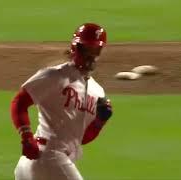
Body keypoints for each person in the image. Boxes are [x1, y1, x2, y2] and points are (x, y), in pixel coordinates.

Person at [10, 22, 113, 180]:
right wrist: (26, 136)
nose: (90, 55)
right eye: (86, 49)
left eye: (95, 49)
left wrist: (99, 122)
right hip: (48, 156)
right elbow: (19, 102)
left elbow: (81, 138)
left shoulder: (97, 91)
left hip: (47, 163)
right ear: (75, 48)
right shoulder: (55, 75)